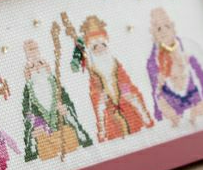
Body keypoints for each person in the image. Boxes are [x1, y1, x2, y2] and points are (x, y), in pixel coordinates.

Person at [65, 13, 154, 142]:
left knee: (133, 113)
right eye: (95, 47)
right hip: (109, 112)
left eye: (103, 45)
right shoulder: (94, 71)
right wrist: (101, 98)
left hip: (125, 104)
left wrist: (125, 92)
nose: (100, 48)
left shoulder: (115, 65)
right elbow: (95, 94)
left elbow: (126, 83)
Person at [22, 38, 91, 161]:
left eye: (40, 64)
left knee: (69, 139)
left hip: (64, 130)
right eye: (32, 66)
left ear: (46, 67)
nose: (37, 68)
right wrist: (36, 124)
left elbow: (68, 103)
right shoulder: (29, 91)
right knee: (44, 146)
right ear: (28, 72)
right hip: (44, 136)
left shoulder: (56, 85)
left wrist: (65, 109)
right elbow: (27, 113)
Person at [147, 7, 203, 126]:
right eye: (159, 29)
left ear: (173, 27)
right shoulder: (153, 60)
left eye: (167, 26)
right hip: (171, 103)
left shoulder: (187, 47)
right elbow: (155, 90)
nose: (163, 31)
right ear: (154, 33)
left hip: (194, 98)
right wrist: (162, 112)